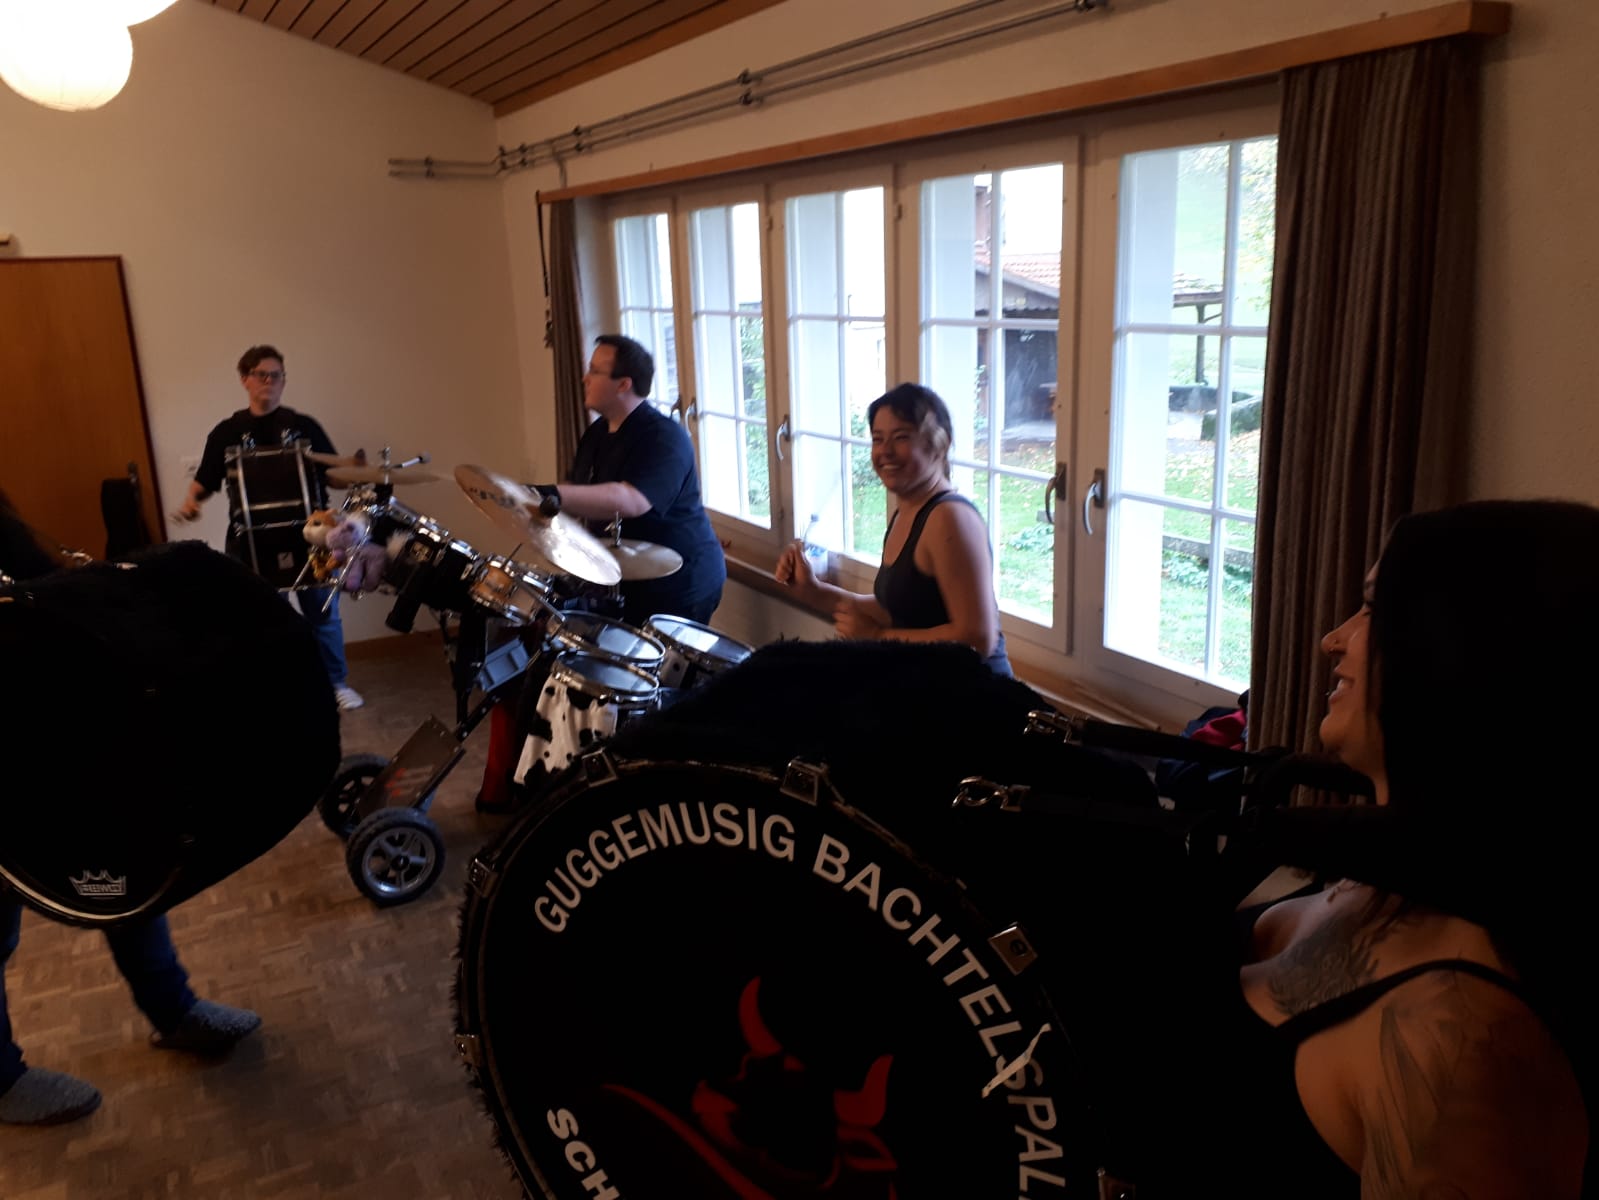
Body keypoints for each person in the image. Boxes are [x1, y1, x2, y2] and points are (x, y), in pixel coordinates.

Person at [1219, 499, 1592, 1196]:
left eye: (1371, 610)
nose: (1332, 638)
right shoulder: (1380, 873)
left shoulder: (1457, 1042)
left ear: (1458, 655)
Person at [0, 494, 262, 1127]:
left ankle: (174, 1010)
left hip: (21, 728)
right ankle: (1, 1080)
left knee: (120, 864)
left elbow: (38, 580)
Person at [173, 344, 363, 711]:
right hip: (251, 541)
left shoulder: (304, 426)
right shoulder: (227, 432)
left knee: (323, 614)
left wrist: (359, 474)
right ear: (245, 379)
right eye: (262, 375)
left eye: (277, 376)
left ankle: (335, 684)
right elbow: (206, 480)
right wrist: (191, 503)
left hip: (312, 537)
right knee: (262, 619)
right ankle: (277, 688)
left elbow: (333, 477)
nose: (270, 382)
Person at [774, 383, 1011, 676]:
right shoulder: (907, 510)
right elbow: (896, 609)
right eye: (878, 439)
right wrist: (812, 590)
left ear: (940, 445)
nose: (885, 451)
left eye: (901, 437)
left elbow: (977, 639)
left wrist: (877, 637)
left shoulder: (949, 518)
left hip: (977, 694)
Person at [536, 334, 725, 627]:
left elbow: (631, 500)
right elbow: (580, 493)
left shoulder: (664, 437)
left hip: (682, 581)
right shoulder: (596, 434)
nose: (585, 378)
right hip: (630, 577)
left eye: (595, 371)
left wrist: (553, 494)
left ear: (623, 384)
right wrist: (530, 510)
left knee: (654, 657)